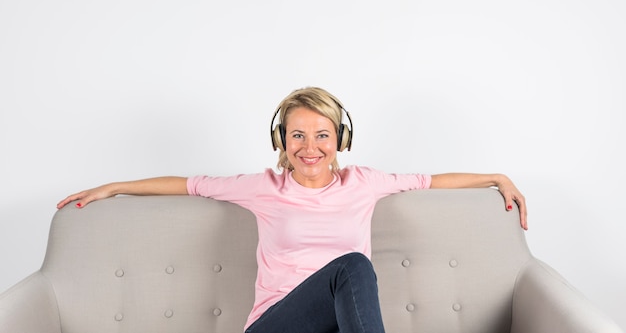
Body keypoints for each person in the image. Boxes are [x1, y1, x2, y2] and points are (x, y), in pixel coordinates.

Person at [57, 86, 528, 333]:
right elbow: (187, 185)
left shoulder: (365, 182)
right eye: (297, 135)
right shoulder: (262, 187)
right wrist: (114, 186)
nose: (310, 147)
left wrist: (496, 177)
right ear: (281, 141)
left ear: (339, 139)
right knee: (353, 267)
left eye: (322, 134)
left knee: (351, 280)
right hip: (274, 326)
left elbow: (431, 180)